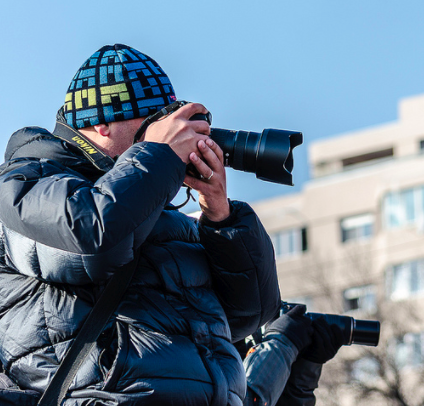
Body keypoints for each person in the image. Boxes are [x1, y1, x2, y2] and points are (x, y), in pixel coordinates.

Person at [0, 43, 337, 406]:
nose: (173, 136)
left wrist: (220, 215)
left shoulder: (163, 213)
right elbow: (92, 237)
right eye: (156, 124)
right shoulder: (28, 180)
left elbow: (250, 314)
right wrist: (157, 155)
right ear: (101, 122)